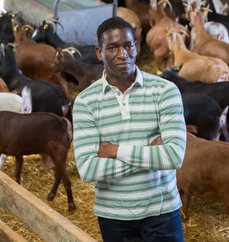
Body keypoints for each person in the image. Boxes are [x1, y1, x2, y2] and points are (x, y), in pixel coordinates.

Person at [72, 16, 187, 242]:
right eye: (112, 47)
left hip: (162, 211)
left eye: (128, 45)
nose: (123, 55)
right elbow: (87, 169)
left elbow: (173, 156)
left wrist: (116, 150)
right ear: (99, 52)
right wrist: (149, 152)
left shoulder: (165, 91)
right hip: (113, 216)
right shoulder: (86, 102)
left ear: (136, 47)